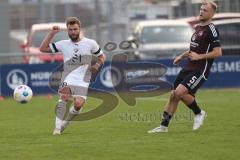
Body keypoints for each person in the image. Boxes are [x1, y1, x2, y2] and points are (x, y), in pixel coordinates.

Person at [148, 0, 222, 133]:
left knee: (179, 93)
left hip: (200, 69)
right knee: (174, 96)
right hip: (188, 67)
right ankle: (163, 127)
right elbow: (192, 50)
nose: (201, 11)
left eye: (205, 10)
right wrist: (181, 57)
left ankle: (199, 113)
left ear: (212, 14)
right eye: (201, 9)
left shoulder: (212, 29)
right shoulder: (198, 28)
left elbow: (218, 52)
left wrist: (199, 57)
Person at [40, 17, 105, 135]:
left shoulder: (90, 43)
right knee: (64, 95)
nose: (73, 32)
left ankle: (66, 123)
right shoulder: (63, 44)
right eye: (70, 30)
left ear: (79, 29)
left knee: (78, 104)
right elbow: (43, 49)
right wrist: (51, 33)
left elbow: (102, 56)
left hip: (83, 78)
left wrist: (97, 65)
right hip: (68, 76)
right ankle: (57, 129)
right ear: (67, 31)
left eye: (75, 29)